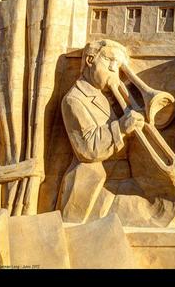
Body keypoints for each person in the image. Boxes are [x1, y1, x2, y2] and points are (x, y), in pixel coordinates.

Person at [56, 39, 145, 223]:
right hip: (88, 190)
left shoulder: (103, 95)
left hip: (113, 183)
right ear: (89, 60)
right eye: (109, 60)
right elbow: (87, 149)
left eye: (118, 64)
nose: (114, 69)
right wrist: (121, 127)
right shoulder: (74, 100)